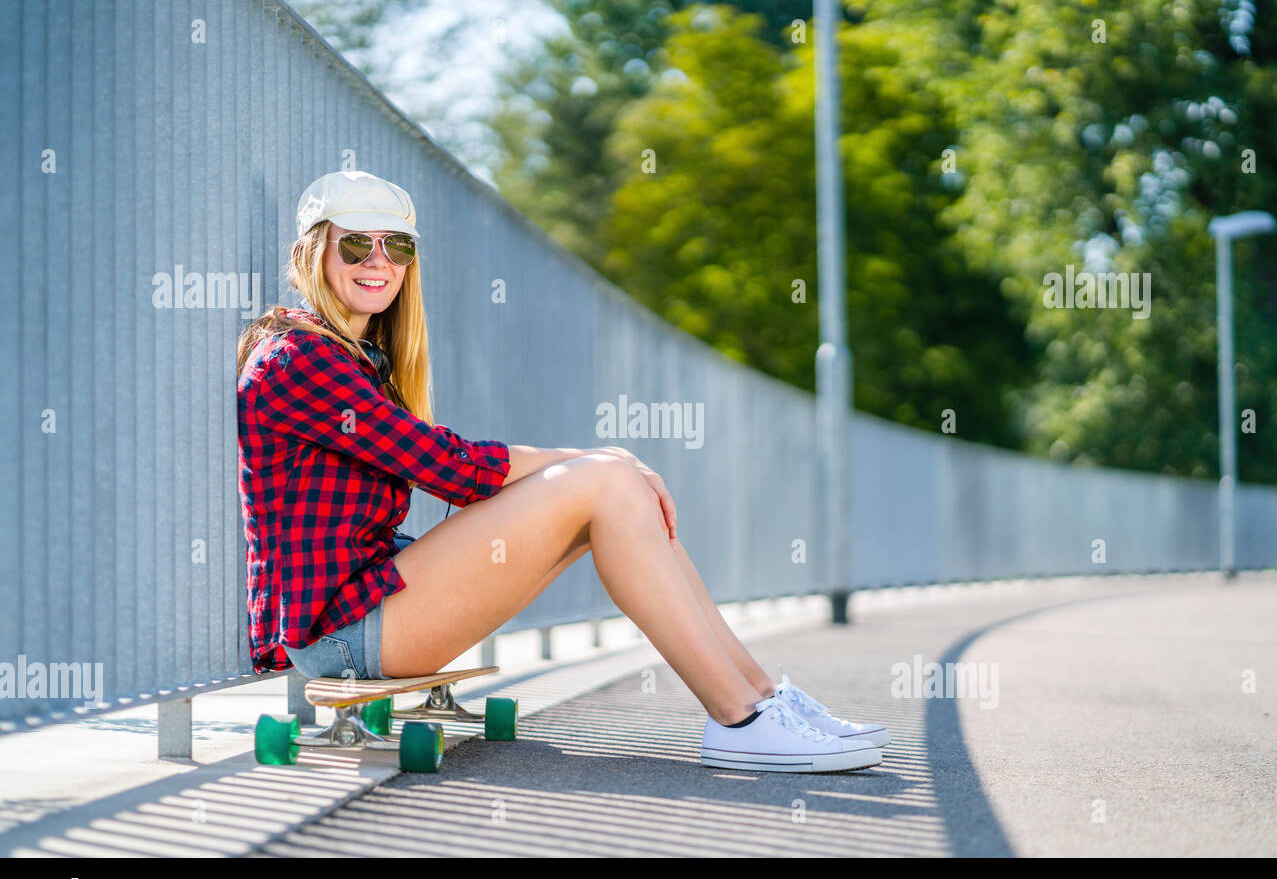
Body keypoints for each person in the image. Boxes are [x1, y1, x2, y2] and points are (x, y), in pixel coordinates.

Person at [236, 170, 890, 773]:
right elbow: (453, 470)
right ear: (312, 253)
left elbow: (453, 468)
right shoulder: (299, 359)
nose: (378, 262)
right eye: (356, 246)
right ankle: (738, 717)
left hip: (375, 603)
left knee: (612, 485)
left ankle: (761, 697)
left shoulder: (354, 358)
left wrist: (604, 465)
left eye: (396, 246)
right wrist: (596, 458)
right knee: (606, 478)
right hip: (341, 634)